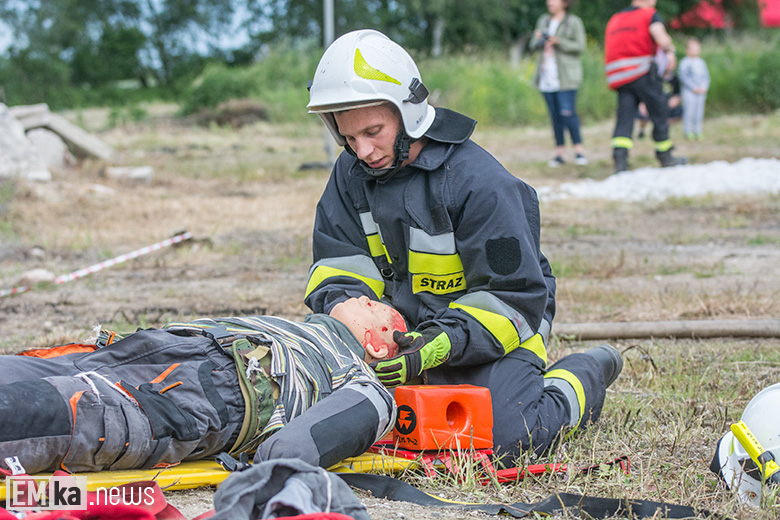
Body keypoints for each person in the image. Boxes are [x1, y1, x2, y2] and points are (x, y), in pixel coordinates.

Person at [304, 29, 622, 464]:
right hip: (406, 341)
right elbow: (336, 264)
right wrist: (348, 312)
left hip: (493, 331)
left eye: (373, 131)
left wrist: (438, 346)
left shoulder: (482, 184)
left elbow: (514, 297)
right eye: (349, 137)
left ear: (407, 112)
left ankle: (583, 375)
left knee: (505, 436)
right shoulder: (351, 173)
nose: (363, 151)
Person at [0, 298, 401, 475]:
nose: (362, 297)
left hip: (211, 394)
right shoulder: (298, 328)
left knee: (53, 410)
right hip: (160, 349)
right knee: (23, 372)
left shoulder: (366, 383)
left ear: (376, 346)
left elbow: (291, 450)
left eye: (373, 307)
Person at [604, 0, 687, 173]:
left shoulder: (616, 18)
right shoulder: (648, 15)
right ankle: (665, 156)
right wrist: (670, 51)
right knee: (660, 110)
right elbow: (662, 38)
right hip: (643, 72)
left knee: (625, 118)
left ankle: (620, 160)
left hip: (620, 76)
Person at [530, 0, 589, 167]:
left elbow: (580, 46)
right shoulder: (543, 21)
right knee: (555, 116)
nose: (550, 2)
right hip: (546, 77)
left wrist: (559, 41)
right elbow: (533, 45)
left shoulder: (574, 21)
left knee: (568, 114)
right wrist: (539, 39)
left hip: (566, 77)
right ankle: (560, 153)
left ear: (564, 3)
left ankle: (579, 151)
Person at [678, 37, 710, 140]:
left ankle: (698, 131)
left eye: (697, 48)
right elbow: (683, 77)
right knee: (689, 112)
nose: (695, 50)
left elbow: (706, 76)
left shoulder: (701, 62)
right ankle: (688, 131)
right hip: (690, 92)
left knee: (699, 112)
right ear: (687, 50)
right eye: (693, 48)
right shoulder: (684, 62)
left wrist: (704, 87)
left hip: (701, 92)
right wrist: (693, 87)